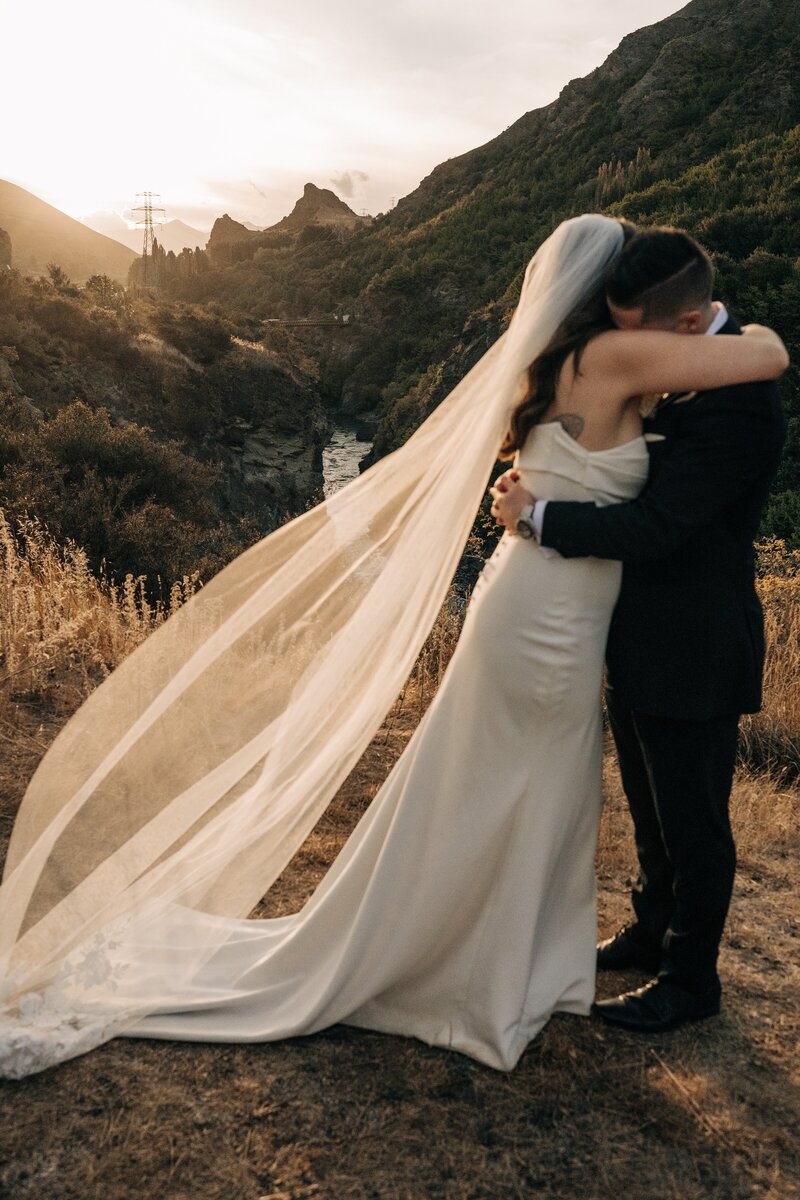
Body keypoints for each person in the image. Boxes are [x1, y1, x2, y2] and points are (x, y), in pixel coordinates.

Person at [0, 216, 787, 1079]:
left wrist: (539, 503)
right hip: (552, 614)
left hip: (562, 607)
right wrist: (752, 329)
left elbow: (653, 485)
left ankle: (533, 956)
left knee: (516, 783)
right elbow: (769, 357)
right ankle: (478, 967)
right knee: (518, 783)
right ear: (605, 296)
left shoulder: (577, 361)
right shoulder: (615, 358)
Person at [490, 227, 787, 1033]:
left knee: (696, 822)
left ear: (685, 328)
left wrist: (541, 515)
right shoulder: (689, 358)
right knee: (651, 808)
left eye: (634, 337)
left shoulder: (741, 404)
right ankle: (649, 932)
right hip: (624, 626)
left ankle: (691, 983)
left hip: (693, 636)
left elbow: (658, 526)